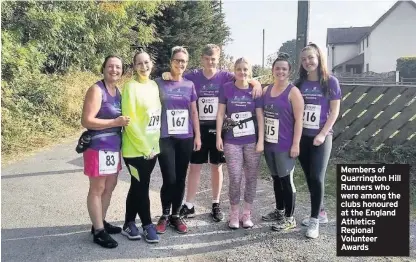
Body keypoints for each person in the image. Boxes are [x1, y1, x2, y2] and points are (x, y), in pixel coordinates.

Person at [164, 44, 263, 223]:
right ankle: (189, 204)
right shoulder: (192, 76)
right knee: (194, 165)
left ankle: (215, 203)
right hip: (198, 127)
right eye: (207, 59)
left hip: (219, 127)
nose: (210, 62)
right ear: (201, 58)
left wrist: (256, 83)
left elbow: (245, 77)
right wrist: (166, 76)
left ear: (218, 59)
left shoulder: (225, 76)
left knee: (216, 166)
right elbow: (176, 79)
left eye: (214, 59)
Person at [81, 55, 130, 248]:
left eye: (118, 67)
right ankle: (99, 232)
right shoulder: (96, 90)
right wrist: (114, 122)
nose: (114, 70)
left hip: (113, 148)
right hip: (97, 147)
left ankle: (99, 221)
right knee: (97, 188)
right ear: (103, 68)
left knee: (110, 186)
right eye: (111, 66)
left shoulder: (117, 91)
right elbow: (87, 121)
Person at [295, 43, 341, 239]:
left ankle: (314, 221)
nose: (308, 62)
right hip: (302, 137)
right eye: (304, 59)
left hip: (322, 137)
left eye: (311, 58)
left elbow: (334, 111)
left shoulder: (330, 82)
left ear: (319, 58)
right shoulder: (298, 84)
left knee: (317, 177)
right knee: (308, 176)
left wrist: (322, 134)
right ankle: (321, 212)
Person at [155, 46, 202, 234]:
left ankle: (176, 215)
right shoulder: (159, 83)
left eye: (183, 61)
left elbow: (193, 111)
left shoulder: (189, 85)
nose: (180, 64)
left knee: (181, 177)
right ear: (171, 62)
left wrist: (198, 135)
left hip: (185, 137)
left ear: (186, 64)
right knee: (169, 177)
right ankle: (164, 214)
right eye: (177, 60)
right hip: (165, 136)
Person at [216, 57, 264, 229]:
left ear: (249, 72)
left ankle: (247, 214)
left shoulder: (255, 90)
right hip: (232, 142)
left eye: (245, 70)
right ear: (234, 71)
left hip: (251, 141)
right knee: (235, 178)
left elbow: (260, 116)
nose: (242, 72)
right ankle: (234, 214)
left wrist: (260, 141)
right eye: (239, 69)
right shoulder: (227, 88)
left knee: (251, 178)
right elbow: (220, 114)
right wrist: (218, 137)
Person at [120, 50, 161, 243]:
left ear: (151, 64)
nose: (144, 67)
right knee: (142, 187)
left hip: (152, 150)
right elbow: (130, 122)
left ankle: (128, 222)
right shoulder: (130, 87)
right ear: (134, 67)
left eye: (146, 62)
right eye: (139, 64)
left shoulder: (153, 85)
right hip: (136, 151)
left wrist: (153, 148)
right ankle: (147, 224)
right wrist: (146, 149)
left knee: (137, 186)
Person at [261, 53, 304, 231]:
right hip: (270, 143)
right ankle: (279, 210)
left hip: (285, 145)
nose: (280, 71)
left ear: (289, 71)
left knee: (286, 180)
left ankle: (289, 218)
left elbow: (299, 120)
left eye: (284, 69)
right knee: (276, 179)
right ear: (273, 70)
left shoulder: (293, 92)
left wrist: (296, 144)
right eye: (277, 68)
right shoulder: (266, 90)